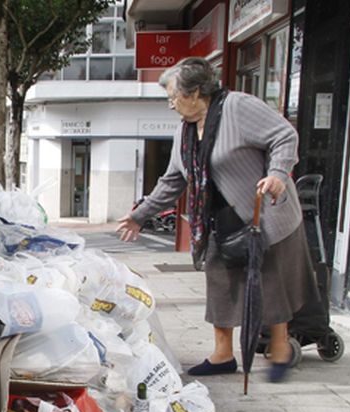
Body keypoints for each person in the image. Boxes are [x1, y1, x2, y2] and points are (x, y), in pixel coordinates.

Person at [116, 57, 316, 382]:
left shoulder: (237, 108)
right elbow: (172, 180)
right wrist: (140, 215)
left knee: (270, 283)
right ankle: (223, 355)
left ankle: (280, 348)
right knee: (220, 285)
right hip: (216, 218)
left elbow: (284, 136)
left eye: (173, 97)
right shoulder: (185, 131)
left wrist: (278, 173)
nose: (170, 105)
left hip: (262, 212)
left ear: (196, 92)